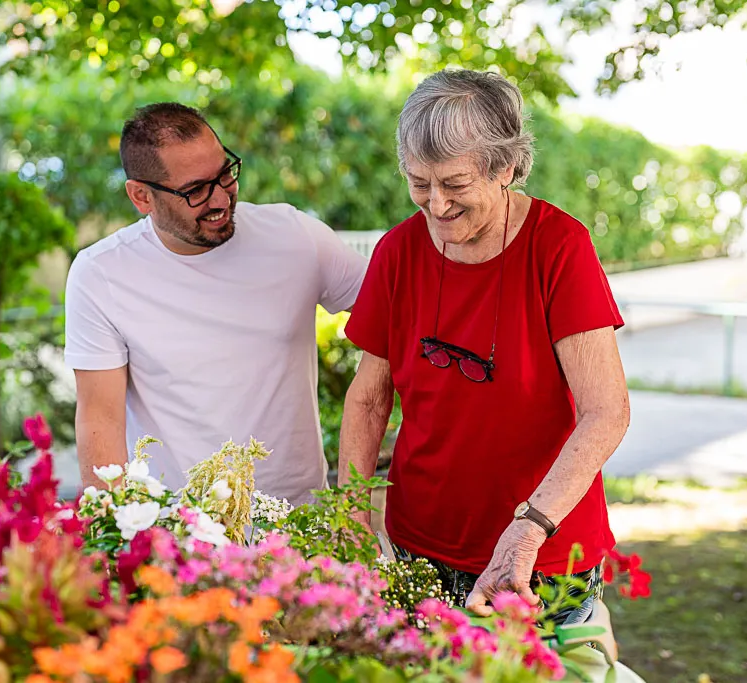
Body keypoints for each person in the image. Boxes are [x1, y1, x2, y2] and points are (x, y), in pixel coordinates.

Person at [339, 69, 630, 623]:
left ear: (506, 168)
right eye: (419, 183)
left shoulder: (559, 247)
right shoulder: (397, 252)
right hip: (418, 546)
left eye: (454, 184)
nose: (436, 204)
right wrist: (352, 515)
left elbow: (607, 412)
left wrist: (529, 529)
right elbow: (369, 398)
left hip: (538, 554)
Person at [64, 103, 367, 505]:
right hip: (179, 530)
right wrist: (115, 530)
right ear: (142, 196)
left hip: (301, 521)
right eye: (195, 191)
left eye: (225, 174)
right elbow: (100, 420)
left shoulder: (295, 237)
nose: (222, 198)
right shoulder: (101, 274)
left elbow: (398, 312)